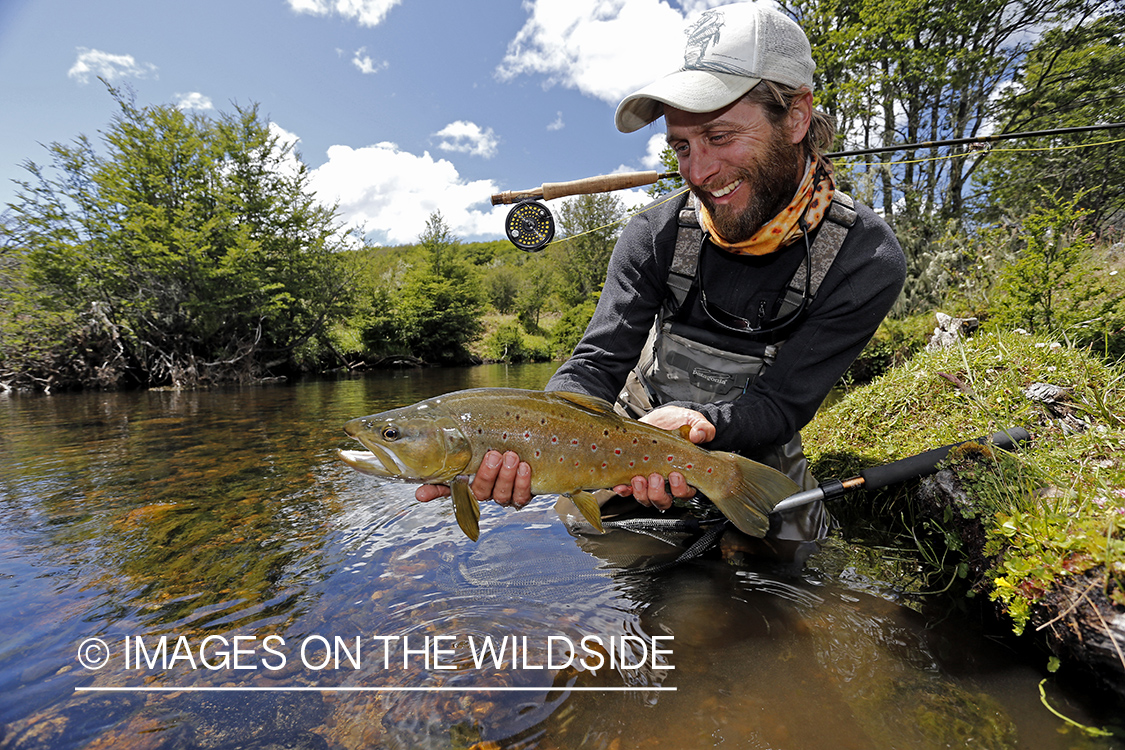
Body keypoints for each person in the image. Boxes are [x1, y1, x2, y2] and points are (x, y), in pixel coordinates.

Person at [417, 2, 906, 554]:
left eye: (719, 137)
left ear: (795, 116)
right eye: (682, 146)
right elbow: (596, 365)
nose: (696, 173)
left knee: (787, 569)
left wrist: (699, 428)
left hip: (753, 440)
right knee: (616, 560)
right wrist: (539, 438)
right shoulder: (653, 234)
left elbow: (780, 406)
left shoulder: (863, 258)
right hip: (625, 437)